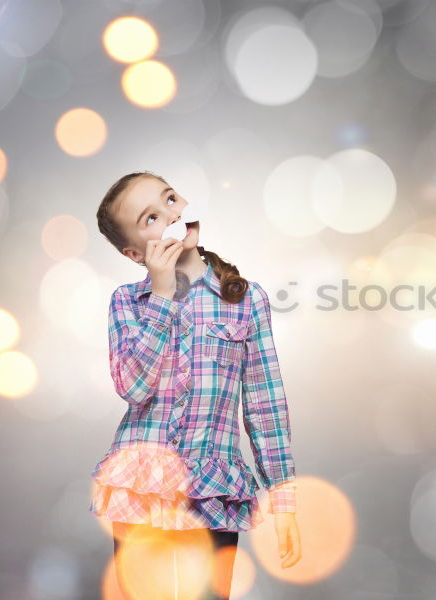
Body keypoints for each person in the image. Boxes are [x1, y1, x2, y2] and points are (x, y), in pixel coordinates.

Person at [90, 171, 302, 598]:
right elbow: (133, 387)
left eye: (170, 199)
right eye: (150, 218)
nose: (169, 214)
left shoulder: (246, 300)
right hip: (142, 489)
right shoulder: (127, 303)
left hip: (214, 492)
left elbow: (265, 406)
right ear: (135, 252)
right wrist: (163, 295)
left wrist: (284, 503)